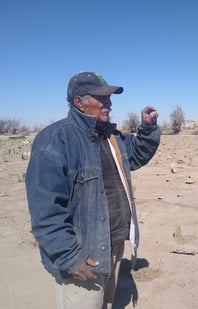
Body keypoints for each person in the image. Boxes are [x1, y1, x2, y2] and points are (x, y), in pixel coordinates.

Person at [25, 71, 161, 309]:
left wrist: (147, 128)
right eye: (103, 98)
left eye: (109, 97)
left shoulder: (110, 135)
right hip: (84, 254)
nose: (109, 103)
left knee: (106, 304)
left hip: (113, 244)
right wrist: (69, 256)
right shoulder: (55, 141)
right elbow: (45, 211)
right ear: (80, 102)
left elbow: (137, 154)